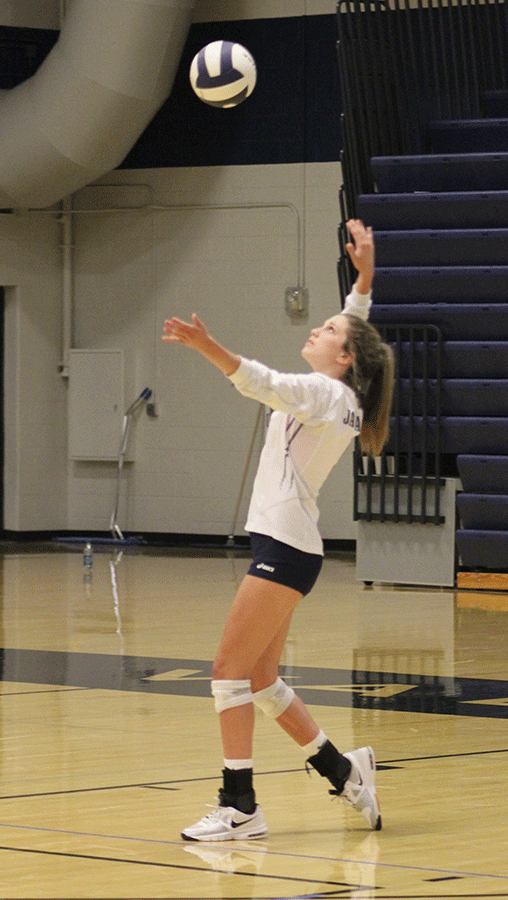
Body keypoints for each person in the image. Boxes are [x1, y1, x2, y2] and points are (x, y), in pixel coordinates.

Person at [162, 219, 394, 842]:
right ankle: (343, 771)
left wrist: (206, 345)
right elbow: (356, 330)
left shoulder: (320, 392)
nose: (317, 329)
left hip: (286, 545)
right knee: (259, 680)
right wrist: (363, 281)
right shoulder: (345, 391)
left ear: (342, 358)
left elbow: (261, 382)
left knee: (228, 673)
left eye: (327, 331)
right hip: (291, 544)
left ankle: (239, 805)